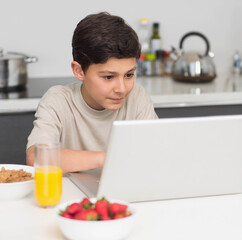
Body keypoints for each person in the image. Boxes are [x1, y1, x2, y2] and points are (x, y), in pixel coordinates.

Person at [26, 12, 158, 173]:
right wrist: (105, 159)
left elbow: (155, 153)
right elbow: (36, 158)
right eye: (109, 77)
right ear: (79, 70)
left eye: (129, 75)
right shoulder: (58, 100)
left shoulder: (137, 96)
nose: (122, 89)